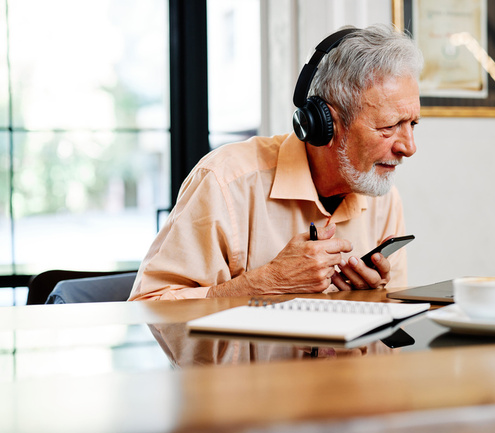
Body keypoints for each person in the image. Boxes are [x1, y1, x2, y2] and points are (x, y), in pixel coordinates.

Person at [129, 24, 423, 301]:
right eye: (389, 126)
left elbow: (391, 327)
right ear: (327, 124)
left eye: (412, 124)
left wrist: (373, 299)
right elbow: (149, 306)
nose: (409, 148)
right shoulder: (224, 181)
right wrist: (267, 283)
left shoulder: (383, 196)